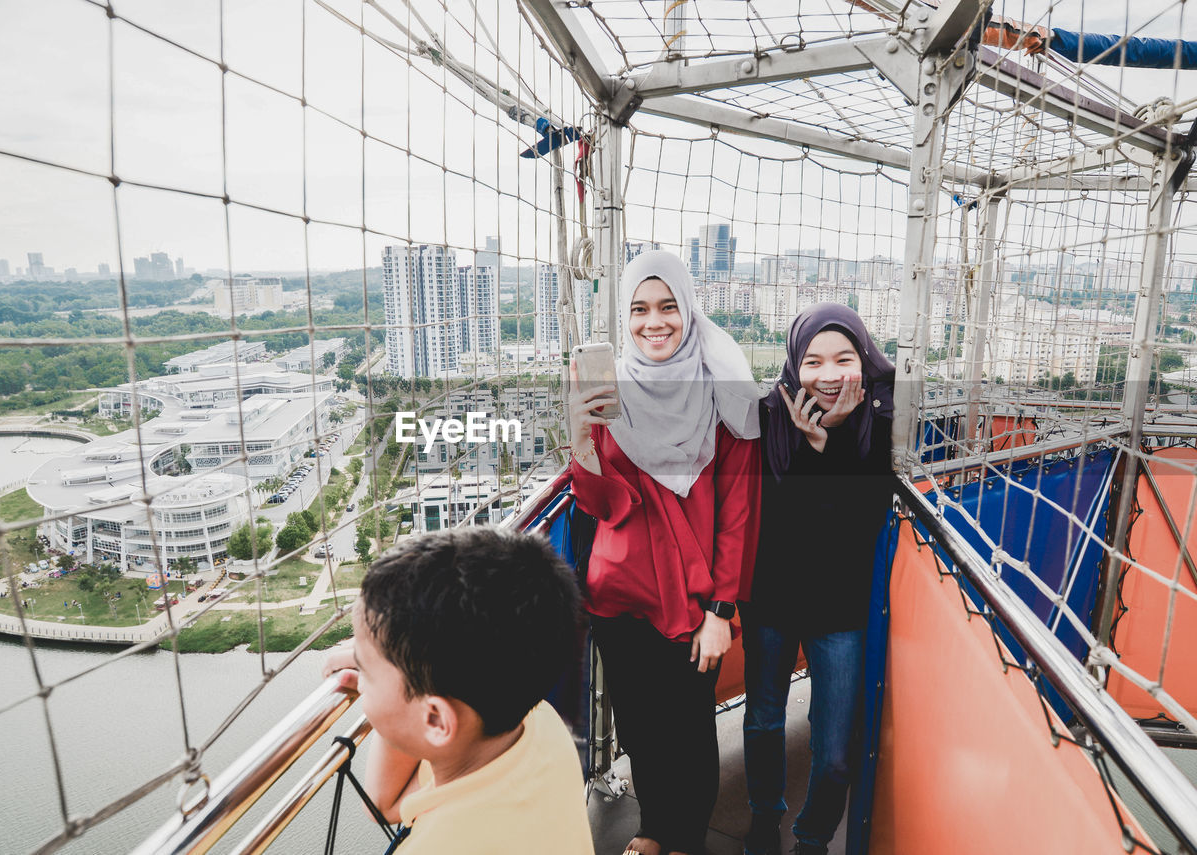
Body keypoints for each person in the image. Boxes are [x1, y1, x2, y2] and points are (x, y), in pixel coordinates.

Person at [568, 250, 762, 855]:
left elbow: (738, 510)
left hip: (694, 600)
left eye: (667, 307)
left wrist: (723, 611)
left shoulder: (724, 394)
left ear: (688, 310)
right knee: (642, 730)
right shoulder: (609, 390)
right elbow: (604, 503)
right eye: (639, 310)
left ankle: (683, 839)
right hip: (618, 591)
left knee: (690, 734)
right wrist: (580, 438)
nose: (654, 322)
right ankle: (655, 829)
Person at [320, 526, 593, 855]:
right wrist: (391, 663)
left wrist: (391, 664)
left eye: (364, 671)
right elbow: (385, 803)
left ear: (435, 719)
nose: (359, 678)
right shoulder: (538, 725)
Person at [741, 303, 895, 855]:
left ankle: (812, 838)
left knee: (835, 749)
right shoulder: (766, 415)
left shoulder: (881, 419)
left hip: (839, 606)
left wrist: (828, 443)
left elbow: (861, 522)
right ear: (793, 364)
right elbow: (775, 517)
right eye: (813, 362)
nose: (829, 375)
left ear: (864, 359)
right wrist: (810, 446)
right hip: (772, 597)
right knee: (762, 720)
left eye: (844, 359)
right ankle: (764, 817)